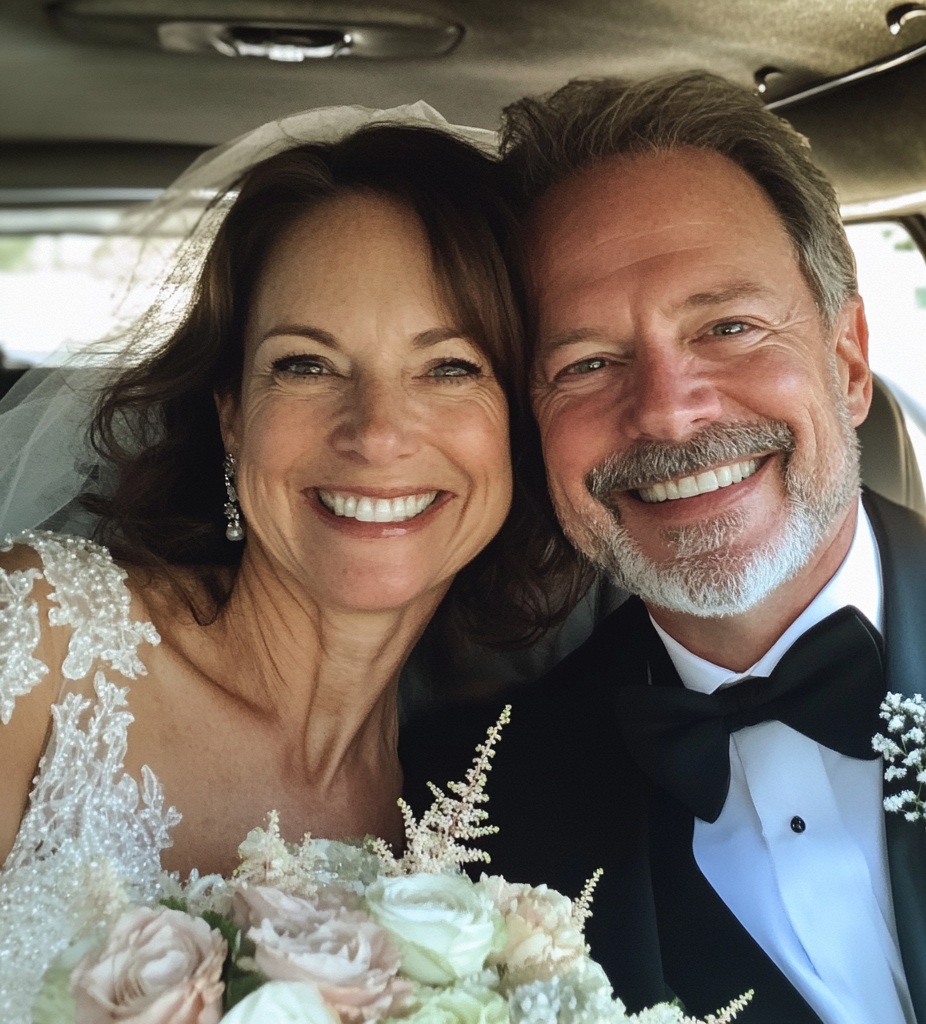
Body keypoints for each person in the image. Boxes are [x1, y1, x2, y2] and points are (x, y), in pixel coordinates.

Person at [401, 73, 926, 1024]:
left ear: (848, 362)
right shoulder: (475, 816)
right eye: (587, 364)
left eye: (728, 327)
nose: (666, 408)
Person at [0, 104, 579, 1022]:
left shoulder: (469, 833)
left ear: (521, 420)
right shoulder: (38, 644)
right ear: (231, 412)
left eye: (451, 367)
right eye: (307, 365)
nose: (377, 432)